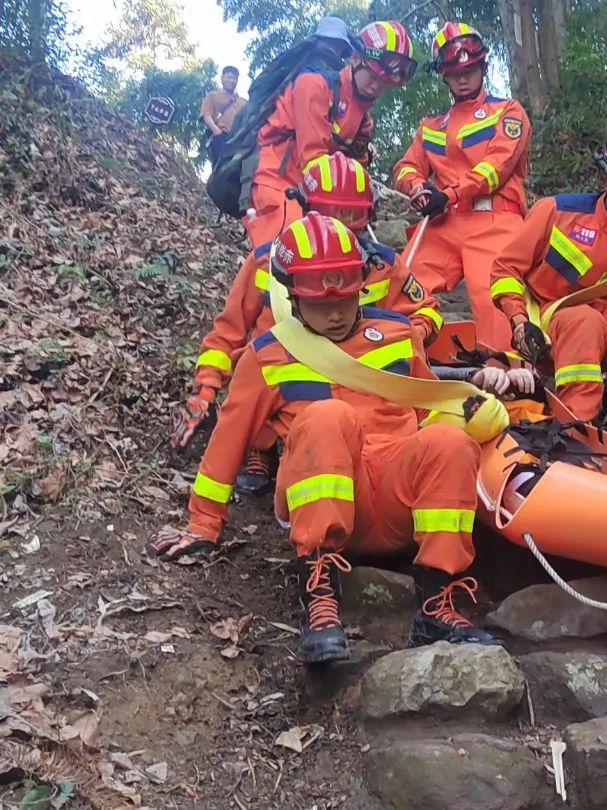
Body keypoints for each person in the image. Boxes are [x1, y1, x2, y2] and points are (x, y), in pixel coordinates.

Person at [151, 213, 511, 663]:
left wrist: (471, 410)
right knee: (327, 417)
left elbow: (428, 405)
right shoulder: (267, 355)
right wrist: (202, 523)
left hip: (399, 504)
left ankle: (436, 604)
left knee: (450, 441)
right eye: (322, 305)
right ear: (293, 298)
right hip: (326, 502)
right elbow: (229, 439)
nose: (337, 313)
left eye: (345, 297)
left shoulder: (399, 335)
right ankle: (319, 595)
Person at [173, 154, 445, 497]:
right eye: (334, 214)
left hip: (363, 383)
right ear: (309, 209)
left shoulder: (382, 264)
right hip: (285, 384)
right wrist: (205, 389)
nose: (343, 225)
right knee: (258, 366)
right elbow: (227, 334)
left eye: (353, 216)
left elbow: (427, 311)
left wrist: (409, 340)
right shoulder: (268, 262)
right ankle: (263, 448)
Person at [490, 128, 607, 427]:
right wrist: (519, 322)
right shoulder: (556, 212)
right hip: (546, 333)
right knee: (584, 319)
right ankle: (576, 421)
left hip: (599, 344)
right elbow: (505, 269)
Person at [392, 22, 530, 353]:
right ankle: (404, 362)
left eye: (469, 69)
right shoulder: (430, 126)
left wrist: (450, 194)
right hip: (444, 223)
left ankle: (511, 384)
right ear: (444, 76)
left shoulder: (507, 112)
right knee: (401, 286)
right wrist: (417, 187)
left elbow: (497, 166)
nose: (463, 78)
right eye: (455, 72)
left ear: (483, 67)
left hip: (495, 222)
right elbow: (405, 166)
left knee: (496, 305)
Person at [244, 19, 416, 250]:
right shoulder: (314, 85)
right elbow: (313, 158)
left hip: (315, 191)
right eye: (373, 78)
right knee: (282, 253)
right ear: (355, 59)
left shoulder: (363, 118)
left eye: (383, 84)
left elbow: (357, 170)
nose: (377, 87)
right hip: (278, 178)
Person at [201, 66, 247, 166]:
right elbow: (206, 116)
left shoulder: (243, 102)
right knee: (219, 168)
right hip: (221, 136)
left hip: (238, 139)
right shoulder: (212, 96)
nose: (231, 80)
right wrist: (217, 132)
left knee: (236, 172)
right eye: (228, 77)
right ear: (222, 78)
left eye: (234, 78)